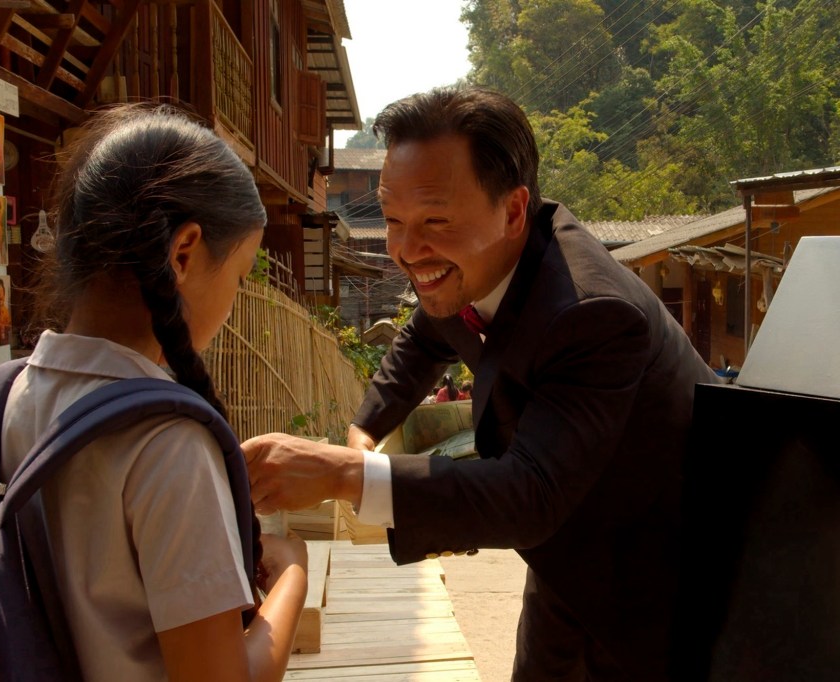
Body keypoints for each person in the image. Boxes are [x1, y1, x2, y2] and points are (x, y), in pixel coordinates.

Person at [243, 86, 719, 681]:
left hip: (658, 577)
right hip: (562, 565)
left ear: (513, 210)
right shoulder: (468, 268)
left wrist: (346, 474)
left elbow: (531, 493)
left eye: (435, 220)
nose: (407, 251)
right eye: (393, 221)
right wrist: (366, 427)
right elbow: (424, 338)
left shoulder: (592, 313)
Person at [3, 103, 308, 681]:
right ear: (184, 253)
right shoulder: (167, 445)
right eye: (240, 274)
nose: (235, 297)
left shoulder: (11, 395)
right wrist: (293, 573)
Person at [0, 277, 11, 346]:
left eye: (1, 292)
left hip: (4, 340)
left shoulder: (6, 312)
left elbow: (8, 326)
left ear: (4, 294)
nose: (0, 295)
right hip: (0, 341)